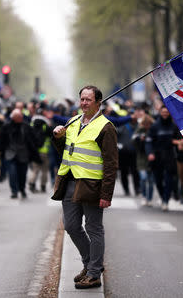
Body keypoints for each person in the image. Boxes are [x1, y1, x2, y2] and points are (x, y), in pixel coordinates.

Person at [52, 85, 118, 289]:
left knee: (94, 228)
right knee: (71, 226)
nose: (84, 103)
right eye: (82, 99)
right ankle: (91, 264)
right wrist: (58, 138)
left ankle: (93, 273)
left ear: (98, 102)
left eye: (88, 100)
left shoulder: (106, 127)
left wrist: (106, 194)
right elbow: (65, 150)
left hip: (92, 185)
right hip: (69, 181)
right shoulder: (72, 121)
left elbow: (111, 164)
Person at [145, 105, 179, 211]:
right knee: (158, 180)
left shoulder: (174, 126)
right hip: (157, 156)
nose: (165, 114)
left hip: (169, 156)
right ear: (160, 113)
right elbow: (148, 141)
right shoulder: (155, 126)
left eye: (167, 112)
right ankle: (162, 195)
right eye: (163, 112)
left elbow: (179, 140)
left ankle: (166, 200)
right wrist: (150, 153)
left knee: (169, 180)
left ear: (169, 114)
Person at [2, 109, 41, 199]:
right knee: (12, 173)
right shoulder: (7, 126)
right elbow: (2, 139)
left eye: (21, 116)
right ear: (13, 117)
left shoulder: (26, 126)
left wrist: (35, 150)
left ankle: (22, 189)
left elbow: (32, 139)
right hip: (11, 154)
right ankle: (14, 191)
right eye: (18, 117)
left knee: (22, 174)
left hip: (23, 154)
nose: (20, 118)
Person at [29, 104, 52, 193]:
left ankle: (32, 184)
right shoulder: (45, 125)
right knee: (44, 170)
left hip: (34, 151)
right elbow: (52, 134)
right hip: (44, 151)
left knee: (35, 169)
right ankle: (43, 186)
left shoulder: (32, 124)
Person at [132, 114, 155, 206]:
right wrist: (139, 138)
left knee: (151, 180)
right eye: (145, 124)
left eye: (148, 124)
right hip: (141, 158)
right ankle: (144, 196)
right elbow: (133, 140)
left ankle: (149, 199)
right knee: (143, 178)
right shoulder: (139, 130)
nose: (146, 126)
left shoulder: (153, 130)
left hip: (152, 158)